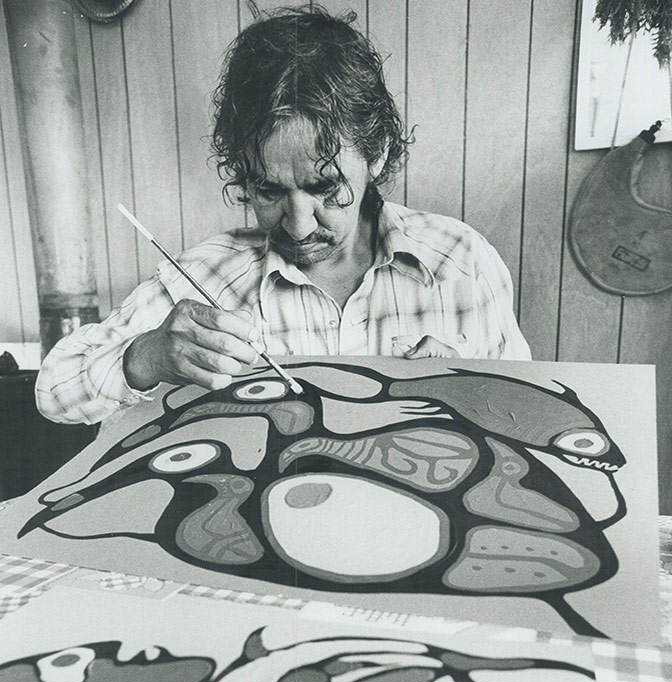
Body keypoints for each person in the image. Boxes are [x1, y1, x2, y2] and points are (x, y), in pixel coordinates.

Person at [36, 3, 531, 426]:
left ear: (377, 153)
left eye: (324, 187)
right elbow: (53, 390)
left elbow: (526, 411)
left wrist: (472, 393)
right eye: (267, 190)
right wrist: (145, 357)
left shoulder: (461, 263)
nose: (297, 225)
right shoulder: (204, 278)